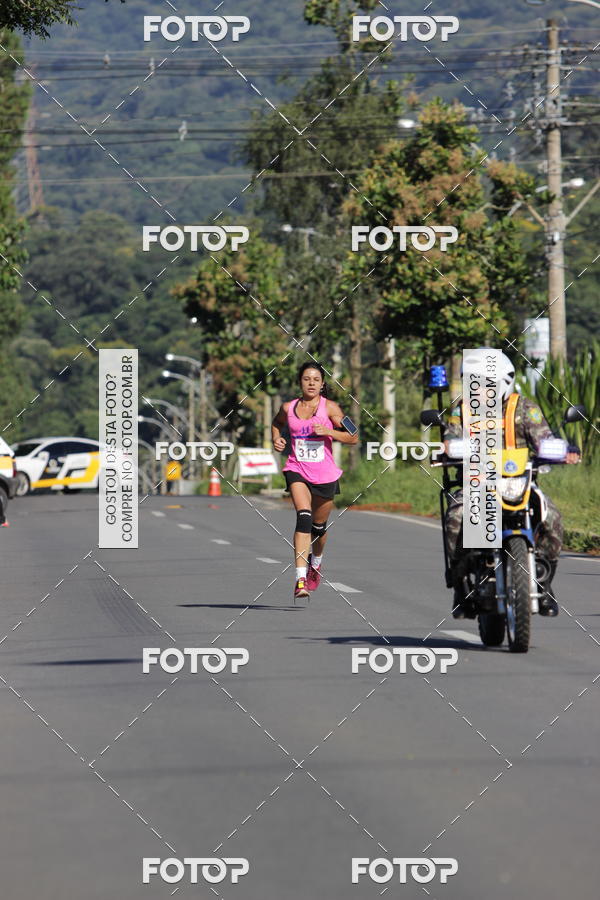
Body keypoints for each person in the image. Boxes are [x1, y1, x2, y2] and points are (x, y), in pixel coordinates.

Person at [444, 350, 580, 619]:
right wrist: (447, 448)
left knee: (552, 518)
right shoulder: (462, 411)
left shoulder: (525, 408)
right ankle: (460, 583)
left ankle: (545, 582)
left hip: (520, 484)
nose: (478, 390)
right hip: (477, 485)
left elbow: (544, 439)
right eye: (472, 382)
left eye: (483, 383)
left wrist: (565, 449)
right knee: (457, 517)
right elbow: (451, 439)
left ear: (501, 382)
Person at [271, 362, 359, 600]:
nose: (311, 383)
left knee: (319, 529)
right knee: (304, 518)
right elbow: (277, 423)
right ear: (300, 382)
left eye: (316, 379)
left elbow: (354, 436)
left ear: (322, 384)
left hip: (325, 474)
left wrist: (330, 432)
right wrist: (276, 439)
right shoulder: (288, 407)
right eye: (306, 379)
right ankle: (300, 579)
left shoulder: (331, 408)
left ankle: (316, 563)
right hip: (296, 468)